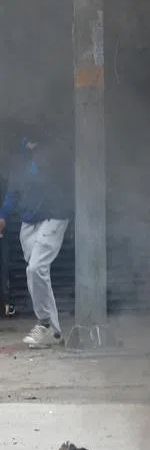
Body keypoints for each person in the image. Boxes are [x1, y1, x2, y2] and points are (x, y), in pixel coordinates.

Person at [0, 130, 71, 348]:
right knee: (37, 274)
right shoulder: (19, 153)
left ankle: (45, 324)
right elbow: (13, 190)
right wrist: (3, 215)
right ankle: (54, 332)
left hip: (54, 215)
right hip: (28, 220)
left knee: (35, 269)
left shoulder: (53, 145)